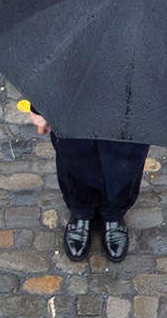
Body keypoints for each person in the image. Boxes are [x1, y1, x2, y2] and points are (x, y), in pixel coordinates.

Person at [28, 108, 150, 264]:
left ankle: (113, 213)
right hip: (74, 101)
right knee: (75, 153)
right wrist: (39, 108)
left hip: (133, 106)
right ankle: (81, 210)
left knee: (125, 158)